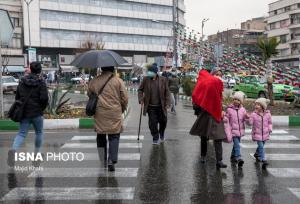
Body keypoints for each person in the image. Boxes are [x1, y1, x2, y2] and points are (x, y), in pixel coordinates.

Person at [7, 62, 49, 167]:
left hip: (24, 113)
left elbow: (17, 97)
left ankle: (13, 151)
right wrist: (41, 108)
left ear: (30, 69)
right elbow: (44, 99)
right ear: (39, 70)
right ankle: (36, 157)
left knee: (21, 134)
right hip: (37, 113)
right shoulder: (41, 82)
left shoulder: (22, 81)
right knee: (39, 133)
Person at [88, 66, 128, 171]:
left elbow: (89, 94)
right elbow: (124, 98)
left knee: (100, 136)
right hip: (114, 112)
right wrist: (122, 109)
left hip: (99, 112)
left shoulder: (94, 81)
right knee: (114, 135)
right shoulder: (118, 81)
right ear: (112, 69)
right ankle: (111, 160)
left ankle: (103, 160)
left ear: (102, 69)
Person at [190, 67, 227, 169]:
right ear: (212, 74)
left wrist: (222, 109)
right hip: (205, 115)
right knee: (204, 137)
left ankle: (219, 160)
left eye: (220, 74)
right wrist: (199, 107)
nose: (219, 76)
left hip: (216, 115)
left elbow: (221, 100)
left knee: (218, 138)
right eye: (217, 74)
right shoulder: (205, 85)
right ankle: (203, 156)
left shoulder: (219, 85)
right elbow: (197, 98)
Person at [138, 63, 170, 145]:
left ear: (155, 72)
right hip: (151, 107)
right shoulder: (145, 79)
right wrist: (141, 99)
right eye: (149, 72)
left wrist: (167, 103)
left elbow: (167, 92)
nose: (149, 73)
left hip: (161, 106)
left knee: (163, 122)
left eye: (151, 72)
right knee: (152, 124)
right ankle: (155, 137)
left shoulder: (163, 79)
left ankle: (161, 133)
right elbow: (140, 90)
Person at [224, 91, 248, 168]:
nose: (236, 101)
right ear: (233, 100)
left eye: (238, 100)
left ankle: (232, 155)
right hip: (233, 130)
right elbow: (226, 118)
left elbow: (245, 119)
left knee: (236, 144)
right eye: (235, 99)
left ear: (241, 101)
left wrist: (247, 117)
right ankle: (238, 158)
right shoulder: (229, 109)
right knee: (237, 144)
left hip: (240, 130)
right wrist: (224, 118)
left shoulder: (243, 110)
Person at [248, 98, 272, 170]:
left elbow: (270, 123)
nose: (256, 106)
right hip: (257, 133)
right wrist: (249, 118)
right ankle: (263, 159)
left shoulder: (268, 114)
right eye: (256, 104)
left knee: (262, 145)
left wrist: (270, 129)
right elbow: (250, 123)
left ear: (263, 106)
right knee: (261, 146)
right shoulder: (254, 114)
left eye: (258, 104)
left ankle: (256, 154)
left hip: (265, 133)